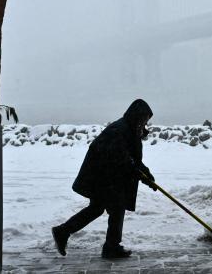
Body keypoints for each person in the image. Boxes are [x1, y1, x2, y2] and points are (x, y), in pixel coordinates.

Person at [51, 99, 158, 259]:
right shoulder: (119, 130)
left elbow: (133, 160)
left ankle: (63, 231)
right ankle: (110, 247)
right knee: (116, 207)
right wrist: (138, 173)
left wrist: (147, 175)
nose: (144, 123)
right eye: (143, 119)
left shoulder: (131, 130)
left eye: (146, 120)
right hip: (101, 176)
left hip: (108, 177)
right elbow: (122, 158)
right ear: (135, 116)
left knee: (98, 208)